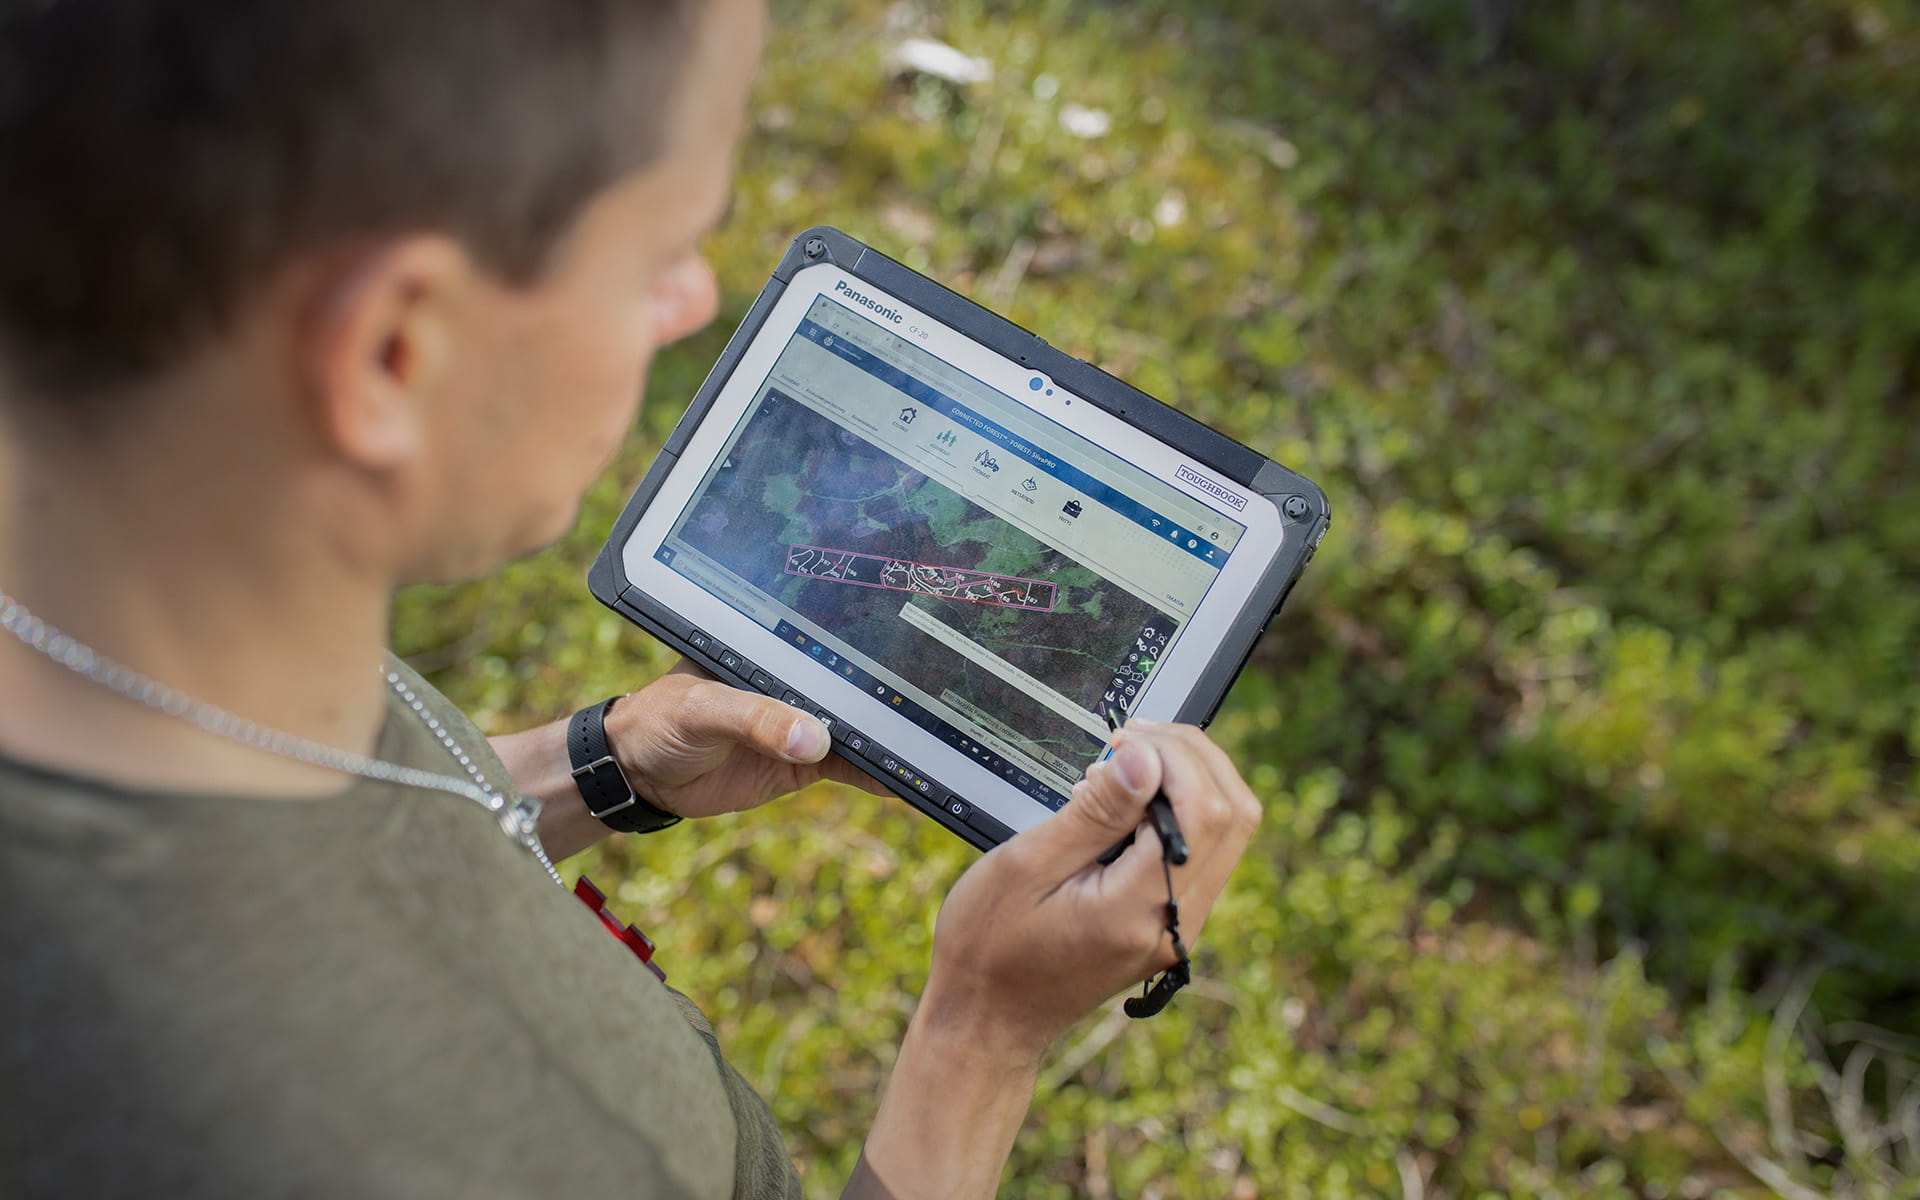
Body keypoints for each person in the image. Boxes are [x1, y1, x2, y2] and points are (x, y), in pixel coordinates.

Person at [0, 1, 1265, 1196]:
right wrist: (981, 1036)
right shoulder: (331, 1143)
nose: (694, 302)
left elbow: (327, 823)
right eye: (662, 251)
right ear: (393, 350)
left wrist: (595, 769)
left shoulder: (142, 591)